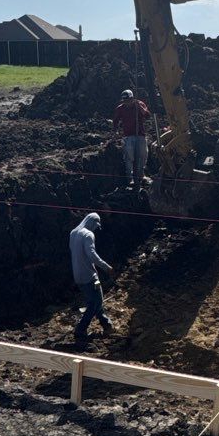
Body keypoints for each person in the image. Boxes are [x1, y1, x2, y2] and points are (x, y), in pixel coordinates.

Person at [70, 211, 114, 344]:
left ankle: (107, 325)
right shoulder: (88, 234)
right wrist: (107, 267)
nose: (96, 228)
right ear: (91, 222)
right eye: (95, 225)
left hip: (77, 274)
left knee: (96, 301)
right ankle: (80, 329)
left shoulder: (73, 233)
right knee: (95, 303)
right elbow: (92, 255)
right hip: (89, 275)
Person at [112, 88, 151, 187]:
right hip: (128, 136)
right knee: (129, 157)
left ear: (132, 99)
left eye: (128, 101)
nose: (126, 103)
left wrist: (140, 108)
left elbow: (147, 115)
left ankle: (141, 175)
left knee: (143, 156)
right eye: (124, 101)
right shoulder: (121, 108)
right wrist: (115, 131)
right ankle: (130, 178)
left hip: (140, 135)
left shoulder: (139, 104)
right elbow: (115, 120)